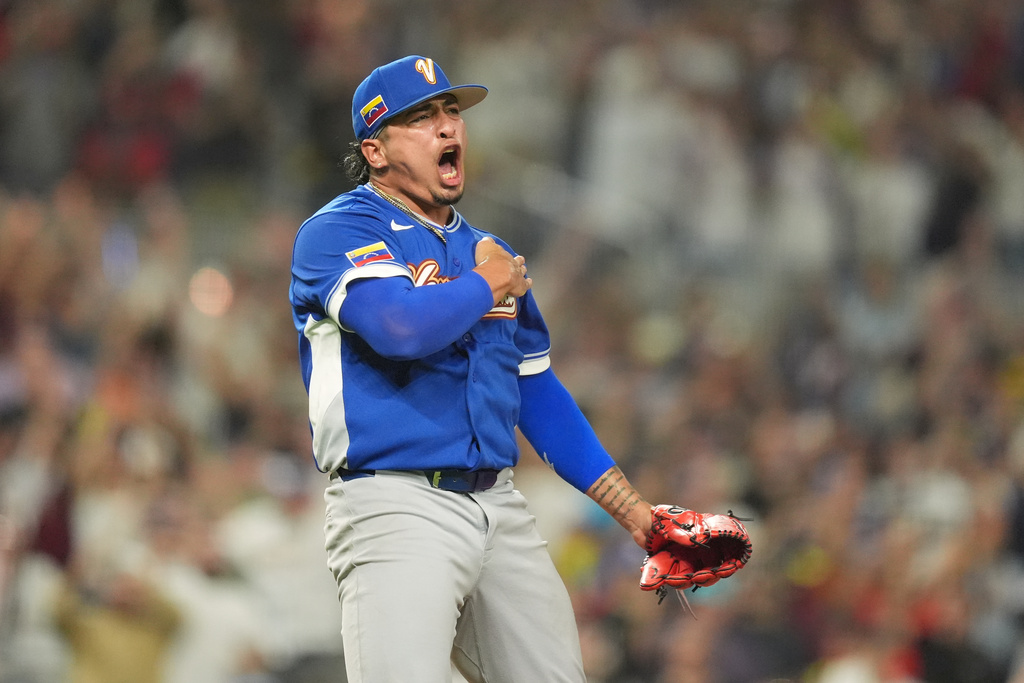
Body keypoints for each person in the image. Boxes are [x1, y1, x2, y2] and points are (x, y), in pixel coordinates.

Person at [289, 55, 656, 682]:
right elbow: (400, 329)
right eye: (422, 118)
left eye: (451, 112)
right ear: (375, 152)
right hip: (396, 504)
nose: (447, 127)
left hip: (499, 505)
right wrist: (489, 281)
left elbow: (534, 390)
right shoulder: (340, 229)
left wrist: (639, 517)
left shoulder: (488, 252)